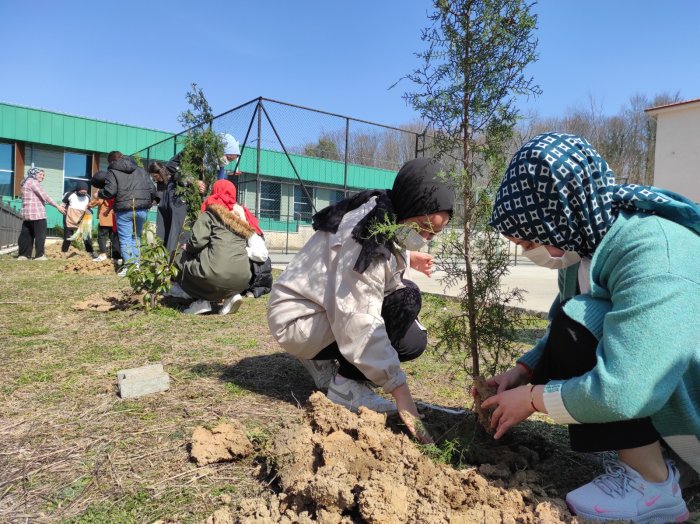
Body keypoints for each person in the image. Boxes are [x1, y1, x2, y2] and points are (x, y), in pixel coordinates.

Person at [481, 132, 699, 523]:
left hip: (682, 405)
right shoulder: (586, 244)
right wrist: (524, 371)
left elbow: (629, 387)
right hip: (672, 405)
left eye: (530, 239)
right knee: (575, 317)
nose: (531, 251)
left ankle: (652, 488)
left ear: (560, 214)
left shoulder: (653, 253)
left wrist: (533, 398)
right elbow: (563, 322)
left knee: (580, 322)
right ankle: (670, 463)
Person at [267, 157, 454, 443]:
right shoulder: (365, 236)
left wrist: (407, 257)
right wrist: (401, 393)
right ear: (410, 205)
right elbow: (359, 321)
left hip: (311, 310)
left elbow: (376, 270)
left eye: (434, 232)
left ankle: (322, 362)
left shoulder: (385, 211)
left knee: (412, 335)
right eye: (422, 225)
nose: (425, 236)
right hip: (298, 319)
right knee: (406, 302)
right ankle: (345, 386)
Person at [171, 179, 252, 315]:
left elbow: (197, 242)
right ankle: (230, 297)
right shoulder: (240, 218)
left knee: (179, 257)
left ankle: (201, 301)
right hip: (243, 279)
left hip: (216, 274)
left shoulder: (210, 214)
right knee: (217, 262)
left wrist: (187, 248)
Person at [98, 151, 156, 276]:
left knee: (125, 239)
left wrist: (99, 193)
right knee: (136, 237)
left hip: (124, 209)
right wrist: (148, 203)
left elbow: (110, 191)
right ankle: (136, 265)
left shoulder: (112, 171)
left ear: (111, 161)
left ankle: (130, 267)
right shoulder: (141, 170)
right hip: (141, 209)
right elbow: (152, 189)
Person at [17, 167, 65, 260]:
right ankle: (39, 255)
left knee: (26, 235)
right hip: (37, 214)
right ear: (34, 174)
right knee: (40, 236)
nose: (42, 177)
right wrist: (57, 206)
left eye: (43, 175)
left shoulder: (25, 183)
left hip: (27, 215)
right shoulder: (33, 182)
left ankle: (24, 255)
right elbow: (45, 196)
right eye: (40, 174)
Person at [60, 181, 97, 258]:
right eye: (82, 191)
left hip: (83, 218)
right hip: (70, 218)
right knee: (68, 236)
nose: (83, 193)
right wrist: (62, 209)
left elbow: (89, 206)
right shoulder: (70, 194)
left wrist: (90, 210)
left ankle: (90, 252)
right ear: (78, 189)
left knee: (86, 236)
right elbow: (62, 205)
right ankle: (64, 252)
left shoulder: (87, 197)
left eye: (85, 191)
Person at [90, 170, 120, 262]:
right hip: (114, 217)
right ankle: (115, 257)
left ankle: (103, 254)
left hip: (105, 217)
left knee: (102, 236)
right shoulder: (115, 187)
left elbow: (99, 200)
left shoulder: (104, 190)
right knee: (114, 238)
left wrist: (89, 204)